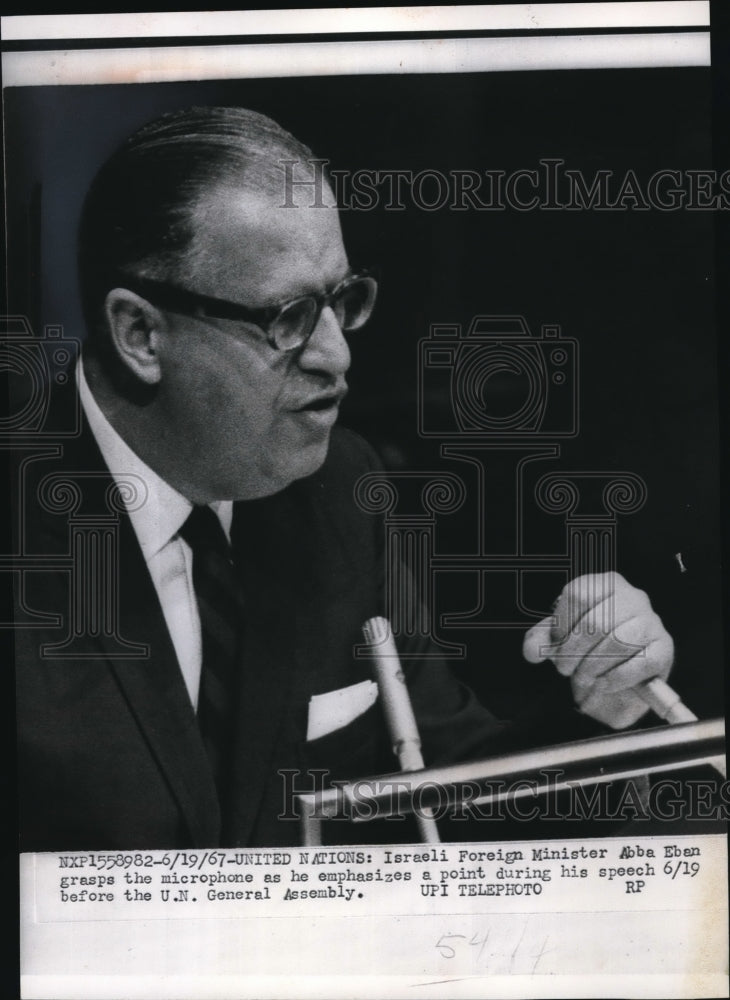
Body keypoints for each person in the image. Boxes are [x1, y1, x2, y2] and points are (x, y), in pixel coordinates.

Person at [14, 106, 673, 851]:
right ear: (140, 333)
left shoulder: (341, 487)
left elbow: (444, 791)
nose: (337, 355)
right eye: (290, 317)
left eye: (341, 301)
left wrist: (606, 709)